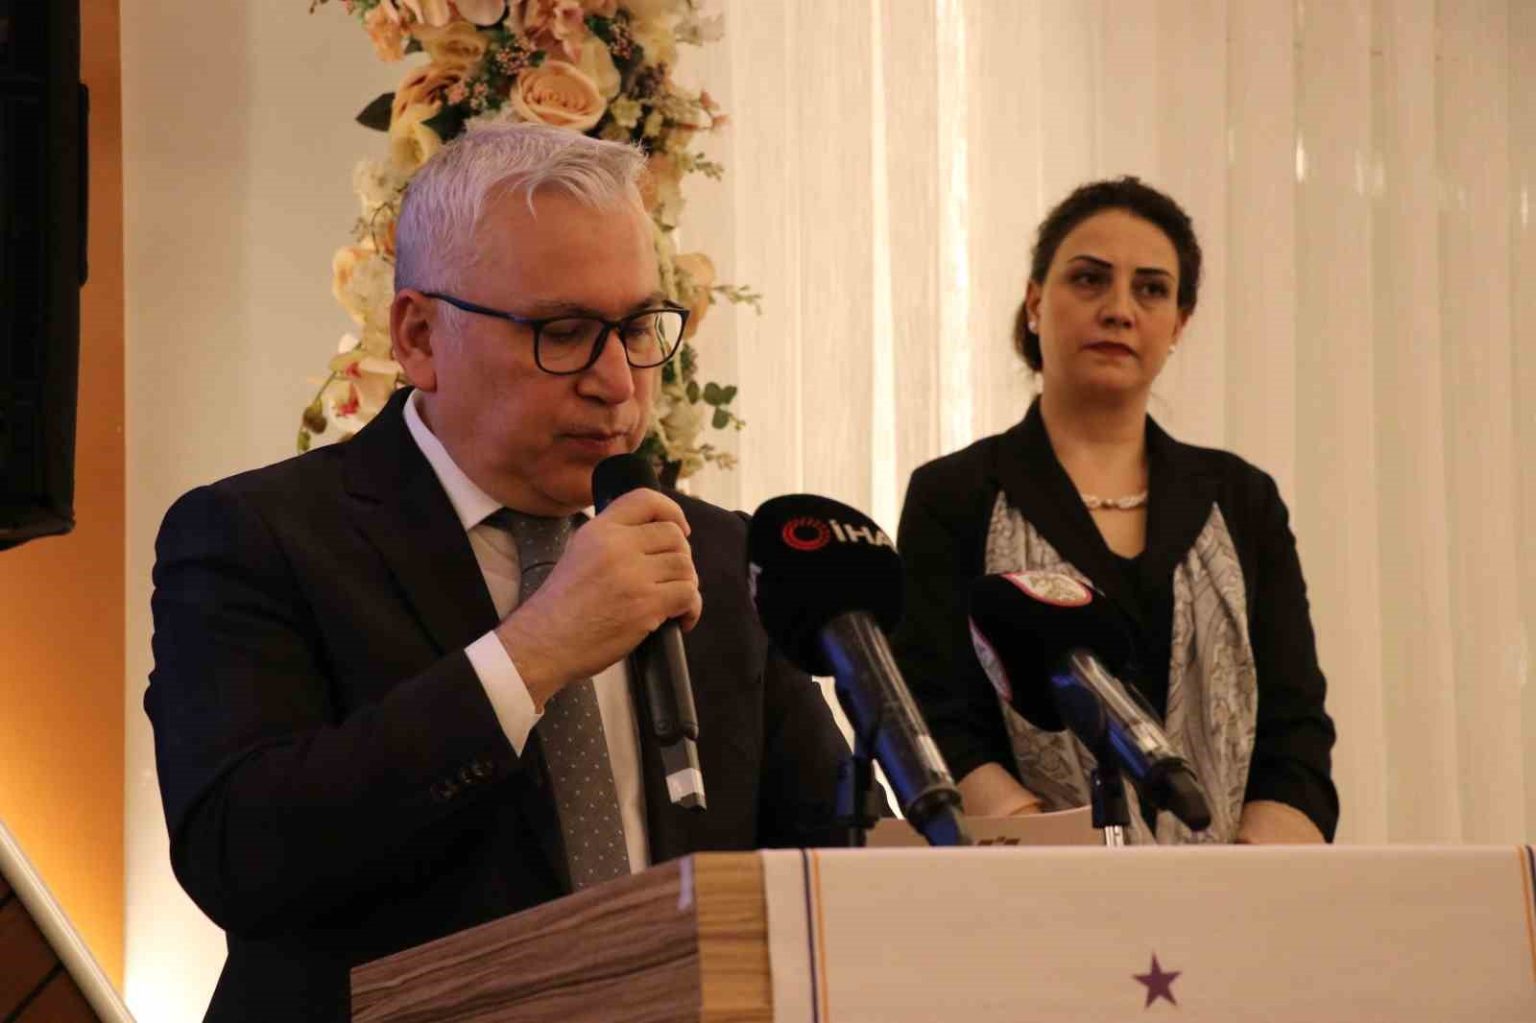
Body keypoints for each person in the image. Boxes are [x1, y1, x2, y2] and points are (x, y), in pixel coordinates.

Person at [146, 124, 850, 1022]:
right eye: (563, 332)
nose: (616, 382)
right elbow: (239, 858)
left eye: (638, 328)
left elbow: (833, 853)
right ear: (419, 336)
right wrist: (532, 655)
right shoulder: (258, 536)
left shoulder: (712, 552)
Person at [892, 177, 1338, 845]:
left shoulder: (1242, 499)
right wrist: (1064, 865)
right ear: (1035, 302)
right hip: (1029, 883)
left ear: (1178, 323)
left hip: (1239, 888)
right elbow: (937, 716)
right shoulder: (956, 494)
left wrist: (1244, 878)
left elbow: (1295, 731)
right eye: (1089, 279)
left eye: (1151, 289)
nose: (1119, 309)